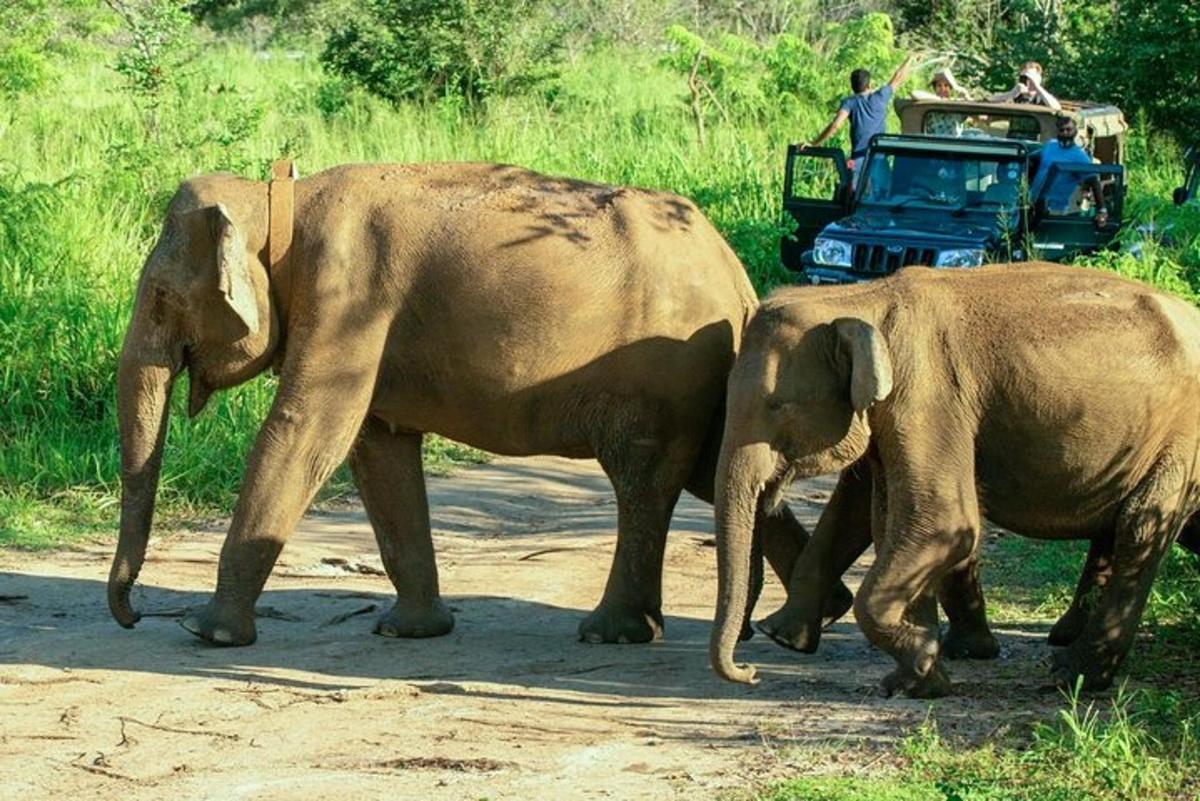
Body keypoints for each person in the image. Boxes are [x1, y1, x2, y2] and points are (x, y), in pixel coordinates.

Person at [806, 55, 915, 184]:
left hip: (857, 160)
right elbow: (898, 77)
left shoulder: (849, 102)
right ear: (869, 85)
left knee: (851, 185)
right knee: (884, 195)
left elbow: (835, 125)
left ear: (852, 86)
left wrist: (814, 143)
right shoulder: (880, 97)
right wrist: (909, 59)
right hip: (879, 160)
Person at [1029, 115, 1108, 226]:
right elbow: (1033, 164)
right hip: (1033, 203)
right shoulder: (1049, 146)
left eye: (1069, 129)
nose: (1065, 132)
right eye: (1062, 130)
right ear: (1057, 131)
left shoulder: (1080, 156)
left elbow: (1093, 181)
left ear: (1075, 131)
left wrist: (1102, 210)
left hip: (1057, 209)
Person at [988, 61, 1061, 111]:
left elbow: (1056, 107)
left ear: (1038, 79)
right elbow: (988, 101)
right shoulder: (1017, 96)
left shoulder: (1042, 97)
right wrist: (1011, 94)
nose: (1027, 81)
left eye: (1030, 77)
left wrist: (1037, 86)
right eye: (1023, 77)